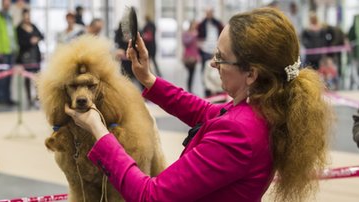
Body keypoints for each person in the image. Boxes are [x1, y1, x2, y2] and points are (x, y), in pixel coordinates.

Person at [65, 8, 332, 201]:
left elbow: (151, 195)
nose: (214, 64)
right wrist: (148, 79)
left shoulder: (240, 133)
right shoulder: (263, 109)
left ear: (251, 73)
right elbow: (205, 112)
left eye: (221, 58)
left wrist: (99, 131)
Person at [0, 0, 18, 106]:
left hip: (11, 51)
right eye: (6, 3)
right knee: (2, 77)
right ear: (2, 4)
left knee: (9, 77)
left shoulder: (9, 16)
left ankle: (7, 97)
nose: (8, 5)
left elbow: (12, 33)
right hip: (3, 52)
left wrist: (16, 48)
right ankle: (1, 98)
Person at [16, 9, 43, 108]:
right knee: (27, 78)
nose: (27, 19)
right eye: (26, 17)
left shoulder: (33, 26)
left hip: (35, 56)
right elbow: (20, 42)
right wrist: (29, 41)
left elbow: (41, 35)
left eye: (29, 17)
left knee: (37, 78)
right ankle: (28, 98)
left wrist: (37, 39)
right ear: (23, 17)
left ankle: (37, 97)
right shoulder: (19, 28)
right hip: (25, 57)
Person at [197, 8, 223, 72]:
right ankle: (204, 81)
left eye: (210, 13)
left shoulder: (218, 24)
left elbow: (222, 34)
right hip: (205, 49)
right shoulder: (202, 24)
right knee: (204, 68)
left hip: (216, 49)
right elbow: (198, 37)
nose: (209, 14)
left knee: (217, 67)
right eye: (207, 13)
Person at [182, 20, 199, 93]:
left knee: (192, 74)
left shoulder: (196, 33)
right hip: (188, 56)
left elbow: (196, 45)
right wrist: (193, 35)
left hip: (194, 56)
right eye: (194, 25)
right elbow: (185, 42)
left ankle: (190, 89)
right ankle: (189, 89)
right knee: (190, 73)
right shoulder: (186, 33)